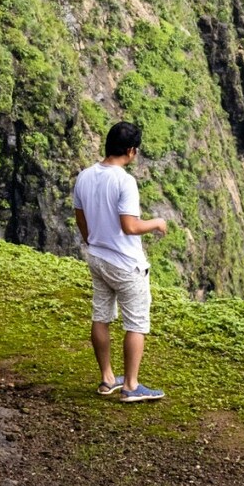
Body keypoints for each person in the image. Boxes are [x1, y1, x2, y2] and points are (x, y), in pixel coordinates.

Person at [72, 120, 168, 402]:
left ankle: (107, 379)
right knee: (136, 323)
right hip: (126, 263)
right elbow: (130, 226)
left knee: (101, 316)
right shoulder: (125, 181)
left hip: (98, 257)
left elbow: (80, 216)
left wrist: (92, 239)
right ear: (131, 151)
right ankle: (131, 386)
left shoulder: (85, 176)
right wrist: (157, 223)